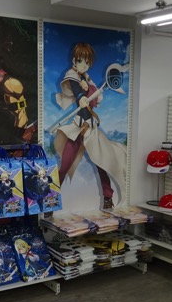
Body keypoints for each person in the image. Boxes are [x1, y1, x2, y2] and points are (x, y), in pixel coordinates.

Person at [54, 43, 127, 209]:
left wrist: (89, 90)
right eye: (81, 61)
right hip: (78, 127)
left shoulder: (87, 78)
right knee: (65, 165)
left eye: (87, 63)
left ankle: (108, 198)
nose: (84, 65)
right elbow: (75, 89)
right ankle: (51, 199)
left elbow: (95, 98)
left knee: (102, 162)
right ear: (74, 60)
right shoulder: (72, 75)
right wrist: (81, 96)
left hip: (91, 128)